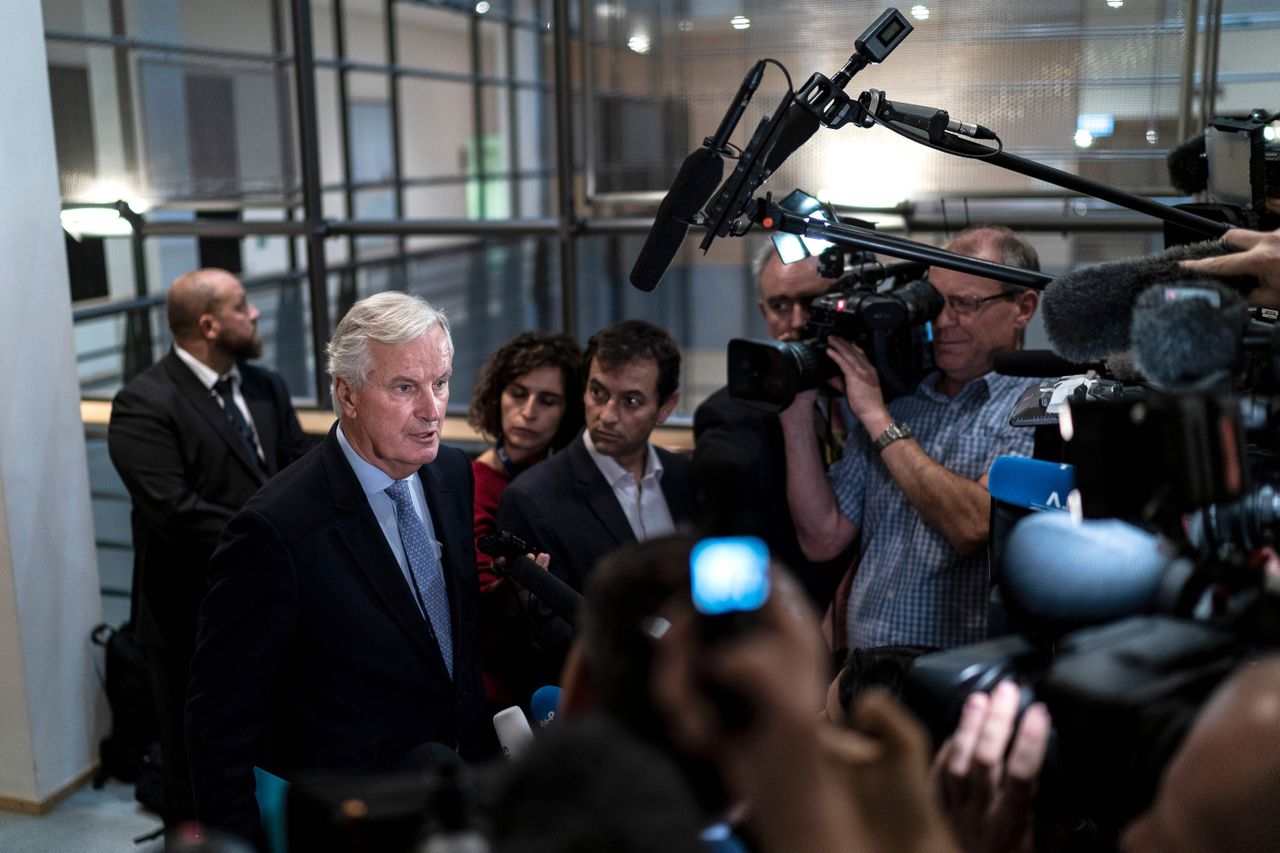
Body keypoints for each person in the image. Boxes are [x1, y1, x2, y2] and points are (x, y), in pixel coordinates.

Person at [185, 291, 489, 846]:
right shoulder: (273, 530)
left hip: (451, 793)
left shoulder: (451, 471)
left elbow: (445, 640)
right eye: (405, 388)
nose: (433, 409)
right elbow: (217, 725)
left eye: (440, 383)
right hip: (351, 820)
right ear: (347, 394)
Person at [107, 267, 310, 828]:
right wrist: (279, 541)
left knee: (270, 755)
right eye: (242, 305)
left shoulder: (266, 386)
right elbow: (177, 513)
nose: (256, 313)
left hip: (275, 609)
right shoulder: (143, 404)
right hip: (188, 619)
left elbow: (299, 474)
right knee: (196, 775)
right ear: (208, 325)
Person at [780, 225, 1042, 649]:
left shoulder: (1039, 405)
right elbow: (823, 537)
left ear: (1023, 307)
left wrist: (876, 419)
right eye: (935, 303)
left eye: (964, 304)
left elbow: (975, 526)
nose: (941, 321)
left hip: (952, 681)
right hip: (864, 675)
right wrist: (793, 411)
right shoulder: (904, 406)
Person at [497, 319, 696, 671]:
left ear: (666, 407)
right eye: (598, 393)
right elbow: (552, 634)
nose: (607, 416)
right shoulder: (533, 498)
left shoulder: (684, 478)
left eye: (630, 401)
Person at [693, 242, 856, 614]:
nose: (797, 322)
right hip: (791, 622)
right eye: (781, 305)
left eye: (813, 302)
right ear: (762, 312)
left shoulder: (888, 391)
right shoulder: (728, 418)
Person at [466, 331, 584, 706]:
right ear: (498, 395)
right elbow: (479, 610)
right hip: (505, 677)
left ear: (568, 412)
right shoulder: (474, 484)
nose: (528, 411)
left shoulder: (566, 479)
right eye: (518, 393)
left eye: (547, 401)